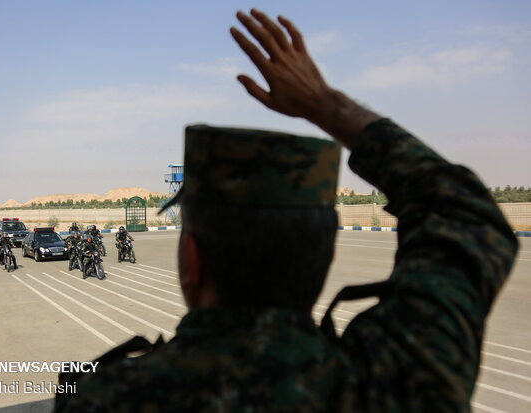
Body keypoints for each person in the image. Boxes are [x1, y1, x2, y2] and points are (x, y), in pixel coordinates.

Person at [54, 9, 518, 412]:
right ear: (327, 256)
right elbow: (465, 212)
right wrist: (325, 104)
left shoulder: (105, 399)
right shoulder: (396, 382)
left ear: (192, 261)